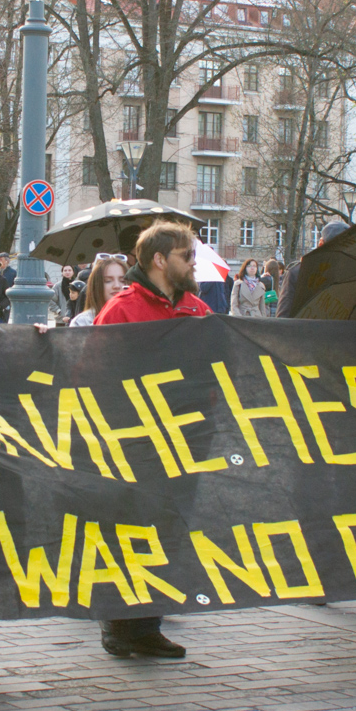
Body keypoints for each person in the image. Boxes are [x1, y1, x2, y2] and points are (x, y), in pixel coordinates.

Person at [92, 221, 210, 659]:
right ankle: (118, 623)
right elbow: (95, 372)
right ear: (160, 261)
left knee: (168, 532)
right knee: (130, 531)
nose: (193, 263)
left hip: (188, 438)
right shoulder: (122, 310)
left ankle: (148, 624)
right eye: (186, 256)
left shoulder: (197, 310)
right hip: (136, 442)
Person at [70, 256, 128, 327]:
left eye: (122, 281)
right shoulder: (82, 322)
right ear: (96, 285)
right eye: (108, 281)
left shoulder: (136, 316)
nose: (117, 286)